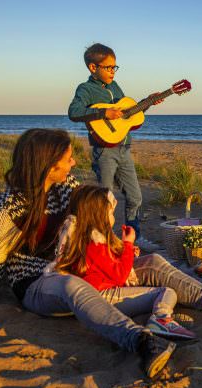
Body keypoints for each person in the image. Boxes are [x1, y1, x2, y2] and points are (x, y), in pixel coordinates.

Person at [0, 128, 175, 378]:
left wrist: (119, 248)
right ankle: (143, 342)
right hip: (36, 283)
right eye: (68, 158)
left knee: (152, 261)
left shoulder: (66, 187)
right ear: (49, 166)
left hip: (75, 266)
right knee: (70, 285)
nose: (74, 162)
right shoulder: (8, 209)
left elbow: (93, 217)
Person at [53, 185, 195, 339]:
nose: (113, 217)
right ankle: (161, 318)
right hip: (103, 296)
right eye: (111, 212)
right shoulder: (94, 244)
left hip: (95, 294)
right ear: (99, 215)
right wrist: (127, 244)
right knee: (166, 292)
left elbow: (105, 266)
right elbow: (120, 275)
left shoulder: (82, 238)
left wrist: (126, 252)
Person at [67, 43, 159, 252]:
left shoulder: (115, 87)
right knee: (105, 200)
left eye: (114, 67)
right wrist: (103, 114)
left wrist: (147, 102)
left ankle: (134, 238)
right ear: (93, 68)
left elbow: (127, 113)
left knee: (135, 197)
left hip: (124, 149)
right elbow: (74, 112)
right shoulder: (85, 89)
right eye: (108, 67)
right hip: (104, 152)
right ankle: (103, 241)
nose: (112, 71)